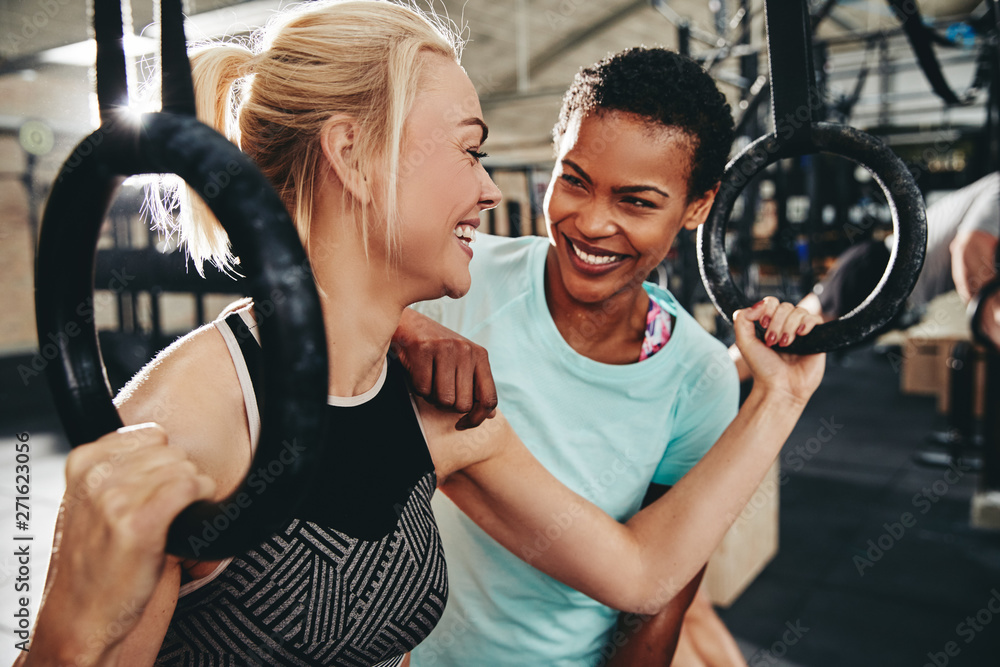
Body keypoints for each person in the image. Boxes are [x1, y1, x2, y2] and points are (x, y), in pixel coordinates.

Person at [18, 3, 823, 666]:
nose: (485, 187)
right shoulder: (192, 424)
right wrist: (66, 640)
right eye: (471, 150)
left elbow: (641, 573)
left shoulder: (432, 411)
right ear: (354, 157)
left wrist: (780, 397)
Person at [396, 48, 795, 667]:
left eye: (636, 202)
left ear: (696, 206)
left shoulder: (698, 378)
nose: (591, 223)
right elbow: (315, 280)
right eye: (574, 180)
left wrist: (783, 392)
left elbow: (658, 601)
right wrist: (408, 329)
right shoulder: (458, 275)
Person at [731, 171, 1000, 382]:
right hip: (878, 273)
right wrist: (990, 321)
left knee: (795, 353)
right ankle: (715, 380)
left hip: (898, 297)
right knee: (789, 339)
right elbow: (968, 251)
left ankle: (723, 395)